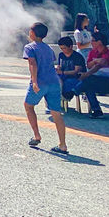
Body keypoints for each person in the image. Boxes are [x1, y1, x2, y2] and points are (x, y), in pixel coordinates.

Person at [22, 22, 69, 154]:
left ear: (32, 33)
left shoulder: (29, 47)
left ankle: (37, 135)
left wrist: (35, 82)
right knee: (56, 113)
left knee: (28, 106)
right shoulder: (49, 48)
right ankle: (62, 145)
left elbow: (32, 63)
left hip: (40, 82)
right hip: (54, 82)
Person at [79, 34, 109, 117]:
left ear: (100, 42)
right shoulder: (92, 52)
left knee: (87, 80)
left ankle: (74, 90)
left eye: (93, 40)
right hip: (95, 81)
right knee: (88, 85)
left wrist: (87, 74)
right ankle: (97, 110)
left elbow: (100, 64)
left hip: (108, 82)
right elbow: (89, 65)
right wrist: (95, 61)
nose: (91, 42)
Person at [55, 36, 87, 102]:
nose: (63, 50)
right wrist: (57, 69)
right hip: (63, 76)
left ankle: (65, 96)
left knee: (67, 83)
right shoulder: (61, 55)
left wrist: (62, 72)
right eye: (61, 48)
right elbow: (60, 66)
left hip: (76, 78)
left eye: (64, 48)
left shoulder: (77, 56)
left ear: (70, 46)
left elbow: (76, 71)